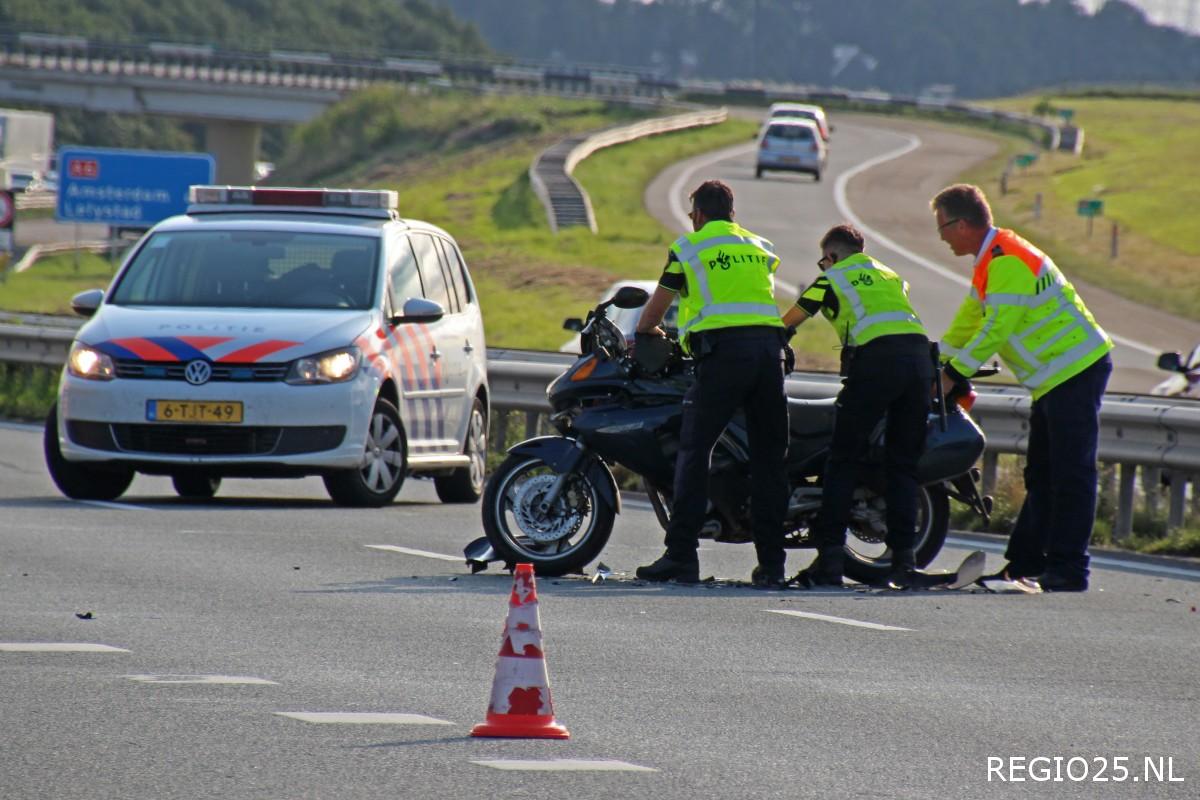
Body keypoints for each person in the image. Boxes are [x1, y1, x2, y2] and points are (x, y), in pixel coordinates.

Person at [931, 184, 1112, 592]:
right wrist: (933, 359)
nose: (940, 236)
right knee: (1043, 473)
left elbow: (997, 328)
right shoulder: (990, 262)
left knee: (1070, 473)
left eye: (942, 226)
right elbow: (967, 323)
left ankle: (1069, 569)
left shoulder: (1007, 260)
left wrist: (951, 375)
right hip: (1055, 378)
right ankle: (1023, 565)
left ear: (961, 224)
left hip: (1074, 371)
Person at [634, 179, 790, 588]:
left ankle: (681, 556)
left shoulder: (688, 248)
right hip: (769, 353)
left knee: (694, 449)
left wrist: (647, 333)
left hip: (724, 355)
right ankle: (773, 566)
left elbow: (656, 310)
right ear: (732, 213)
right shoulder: (761, 247)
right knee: (770, 460)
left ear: (699, 214)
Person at [783, 224, 935, 589]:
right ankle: (904, 564)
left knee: (842, 459)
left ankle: (831, 560)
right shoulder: (890, 275)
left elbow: (788, 322)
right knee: (902, 465)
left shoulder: (833, 277)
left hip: (876, 363)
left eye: (824, 261)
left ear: (832, 256)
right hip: (919, 362)